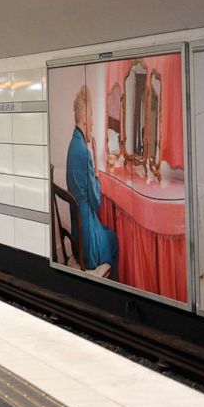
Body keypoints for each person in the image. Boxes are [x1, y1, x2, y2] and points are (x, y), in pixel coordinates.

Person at [65, 85, 119, 278]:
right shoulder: (83, 152)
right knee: (113, 239)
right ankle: (115, 290)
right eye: (93, 116)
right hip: (88, 245)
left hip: (78, 236)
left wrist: (93, 158)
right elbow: (96, 203)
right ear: (86, 116)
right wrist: (95, 164)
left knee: (105, 230)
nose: (94, 122)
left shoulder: (73, 145)